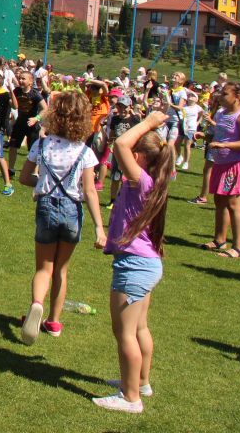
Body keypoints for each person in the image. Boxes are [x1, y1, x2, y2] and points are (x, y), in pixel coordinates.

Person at [93, 109, 173, 413]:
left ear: (138, 157)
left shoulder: (142, 181)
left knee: (124, 332)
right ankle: (140, 382)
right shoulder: (149, 181)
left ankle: (130, 398)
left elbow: (119, 144)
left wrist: (149, 123)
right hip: (146, 263)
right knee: (139, 328)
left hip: (135, 266)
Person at [18, 91, 105, 344]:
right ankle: (54, 321)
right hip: (72, 210)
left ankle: (37, 304)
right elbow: (89, 191)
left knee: (43, 268)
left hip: (46, 206)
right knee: (61, 270)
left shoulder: (42, 145)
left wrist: (42, 183)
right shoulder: (84, 152)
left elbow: (24, 178)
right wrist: (100, 228)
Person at [199, 83, 240, 259]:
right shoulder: (221, 113)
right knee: (219, 201)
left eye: (225, 94)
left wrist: (224, 145)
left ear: (237, 97)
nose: (220, 96)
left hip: (236, 164)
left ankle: (238, 248)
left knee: (233, 204)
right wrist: (206, 137)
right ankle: (219, 240)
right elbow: (220, 136)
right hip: (221, 163)